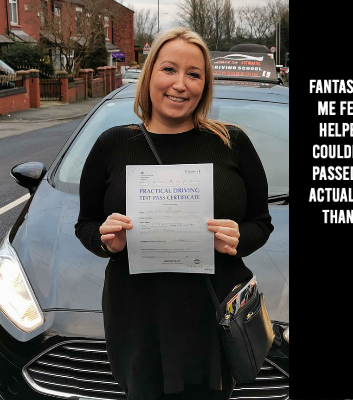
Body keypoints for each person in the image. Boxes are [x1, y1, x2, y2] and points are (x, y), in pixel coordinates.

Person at [75, 27, 273, 400]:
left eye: (194, 74)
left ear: (204, 85)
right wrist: (106, 241)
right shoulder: (112, 145)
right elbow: (85, 225)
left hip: (211, 313)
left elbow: (261, 223)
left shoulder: (231, 143)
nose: (180, 84)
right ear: (149, 74)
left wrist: (239, 237)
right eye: (169, 69)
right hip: (139, 315)